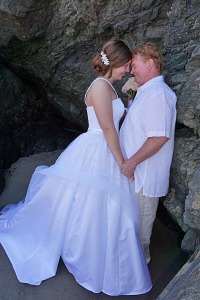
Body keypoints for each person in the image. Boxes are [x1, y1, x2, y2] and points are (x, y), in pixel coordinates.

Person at [0, 39, 152, 296]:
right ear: (116, 63)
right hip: (98, 148)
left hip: (105, 147)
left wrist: (129, 96)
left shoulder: (109, 87)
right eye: (126, 65)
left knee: (96, 205)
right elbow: (107, 128)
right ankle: (88, 253)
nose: (128, 69)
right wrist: (121, 162)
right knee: (88, 203)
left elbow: (114, 121)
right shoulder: (101, 87)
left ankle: (108, 253)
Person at [120, 42, 177, 264]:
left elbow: (159, 137)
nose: (132, 71)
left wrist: (131, 163)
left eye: (135, 66)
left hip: (144, 177)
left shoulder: (160, 95)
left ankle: (138, 272)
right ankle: (129, 267)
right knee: (131, 227)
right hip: (135, 175)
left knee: (140, 234)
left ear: (150, 63)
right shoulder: (148, 92)